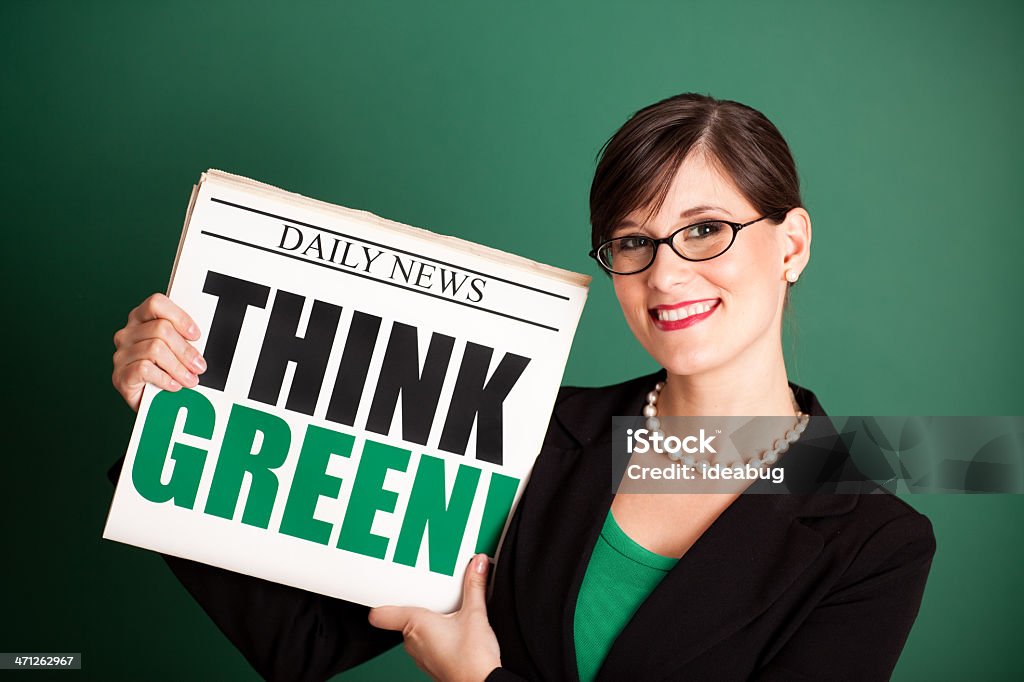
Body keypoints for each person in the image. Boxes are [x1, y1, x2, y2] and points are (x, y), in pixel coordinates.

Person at [109, 93, 936, 681]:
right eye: (632, 241)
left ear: (790, 244)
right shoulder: (525, 434)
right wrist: (179, 414)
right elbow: (302, 644)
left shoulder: (875, 544)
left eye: (707, 229)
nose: (667, 273)